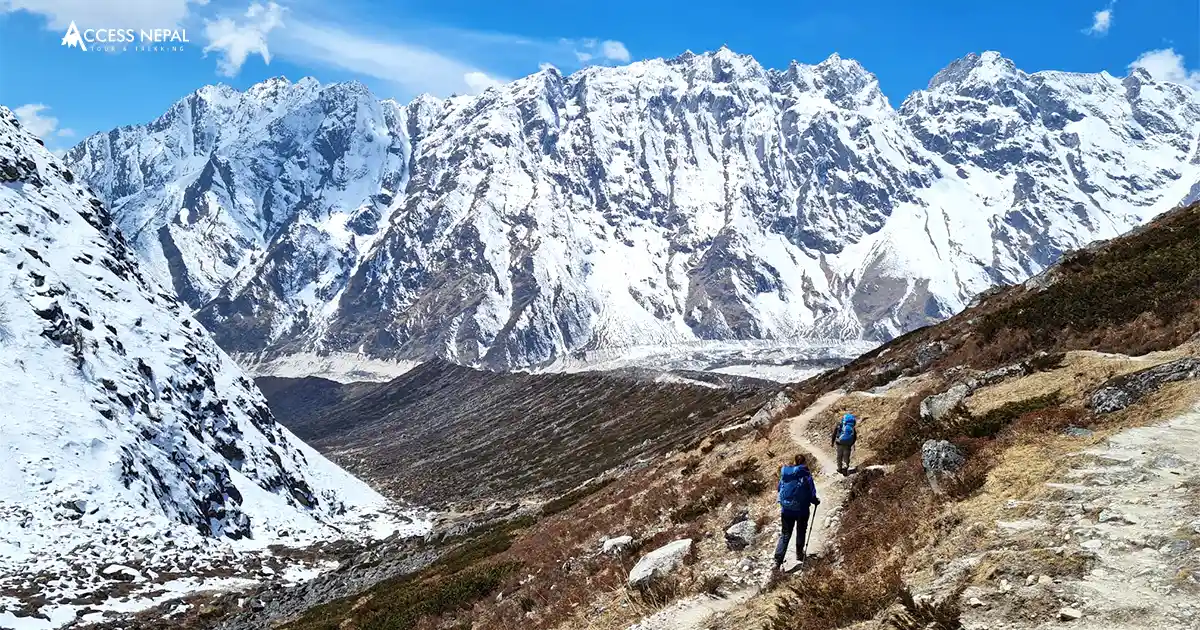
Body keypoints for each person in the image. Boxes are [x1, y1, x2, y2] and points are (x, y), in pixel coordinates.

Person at [774, 453, 820, 571]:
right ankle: (799, 554)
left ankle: (777, 561)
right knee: (801, 531)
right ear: (804, 462)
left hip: (786, 510)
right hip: (802, 510)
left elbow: (779, 488)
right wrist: (815, 501)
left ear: (794, 461)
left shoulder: (786, 474)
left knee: (785, 534)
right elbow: (812, 493)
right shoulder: (806, 475)